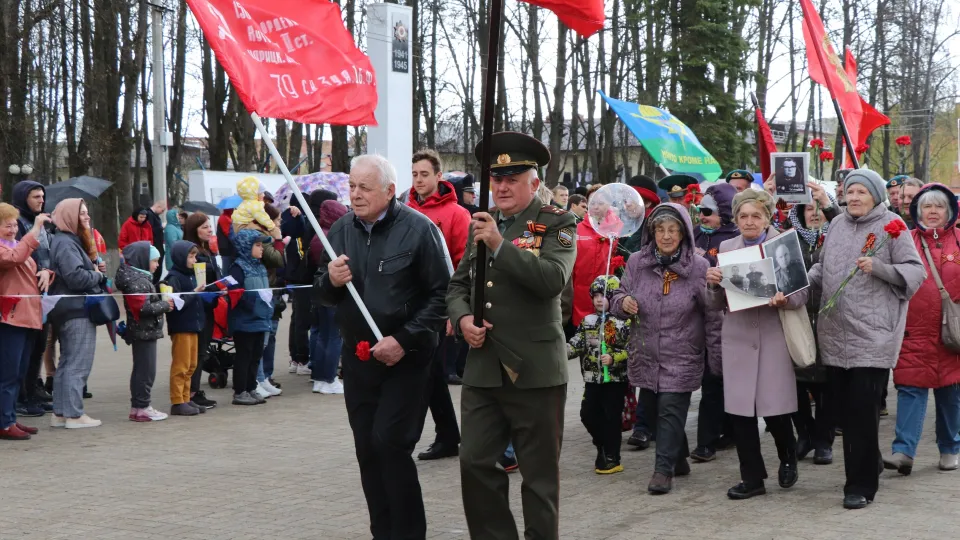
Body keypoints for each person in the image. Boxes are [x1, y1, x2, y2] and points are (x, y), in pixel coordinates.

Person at [446, 132, 576, 540]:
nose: (501, 186)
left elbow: (552, 280)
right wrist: (463, 318)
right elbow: (457, 287)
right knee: (475, 462)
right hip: (485, 367)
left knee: (539, 478)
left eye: (512, 178)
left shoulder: (557, 222)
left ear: (534, 183)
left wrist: (501, 245)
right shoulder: (481, 225)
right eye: (496, 178)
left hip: (535, 370)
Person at [314, 154, 449, 540]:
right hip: (358, 361)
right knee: (367, 452)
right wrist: (330, 281)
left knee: (390, 444)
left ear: (390, 191)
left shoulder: (420, 230)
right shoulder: (338, 231)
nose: (355, 195)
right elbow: (320, 295)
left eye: (364, 188)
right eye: (351, 186)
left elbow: (443, 295)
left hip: (407, 360)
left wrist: (404, 340)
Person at [809, 168, 924, 509]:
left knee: (861, 411)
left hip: (873, 335)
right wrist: (797, 286)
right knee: (847, 412)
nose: (855, 197)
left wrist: (881, 268)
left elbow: (916, 272)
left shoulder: (893, 225)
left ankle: (860, 486)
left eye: (862, 191)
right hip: (835, 333)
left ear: (875, 195)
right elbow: (821, 267)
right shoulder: (837, 225)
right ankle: (869, 462)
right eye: (850, 191)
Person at [706, 189, 808, 501]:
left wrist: (784, 298)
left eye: (756, 215)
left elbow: (802, 294)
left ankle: (788, 455)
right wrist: (712, 284)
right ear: (735, 219)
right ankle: (752, 478)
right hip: (738, 338)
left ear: (767, 217)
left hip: (773, 336)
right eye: (743, 216)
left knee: (775, 410)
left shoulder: (783, 243)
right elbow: (714, 304)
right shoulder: (726, 247)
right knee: (741, 415)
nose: (749, 221)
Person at [612, 203, 715, 494]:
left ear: (683, 234)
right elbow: (618, 294)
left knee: (670, 407)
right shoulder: (636, 262)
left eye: (673, 230)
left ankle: (663, 470)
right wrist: (623, 303)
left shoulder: (698, 267)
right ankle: (678, 458)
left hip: (683, 351)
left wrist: (716, 355)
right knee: (659, 410)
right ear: (652, 232)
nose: (666, 236)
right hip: (647, 351)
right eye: (660, 229)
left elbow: (712, 310)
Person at [885, 183, 960, 474]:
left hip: (952, 334)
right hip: (913, 331)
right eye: (926, 206)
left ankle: (950, 447)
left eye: (938, 206)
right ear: (917, 210)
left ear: (949, 211)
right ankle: (903, 451)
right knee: (910, 389)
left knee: (950, 394)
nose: (932, 212)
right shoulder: (905, 240)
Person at [407, 148, 468, 461]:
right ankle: (448, 436)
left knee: (428, 375)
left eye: (424, 174)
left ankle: (419, 437)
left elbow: (462, 265)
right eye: (415, 174)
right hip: (407, 309)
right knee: (429, 377)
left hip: (438, 308)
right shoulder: (401, 209)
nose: (418, 180)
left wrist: (452, 311)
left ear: (439, 176)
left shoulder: (457, 215)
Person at [787, 191, 839, 465]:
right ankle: (804, 434)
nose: (814, 213)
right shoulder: (789, 238)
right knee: (796, 381)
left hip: (830, 317)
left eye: (819, 207)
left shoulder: (838, 236)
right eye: (808, 208)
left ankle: (824, 440)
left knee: (826, 386)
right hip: (796, 316)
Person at [48, 199, 106, 429]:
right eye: (82, 213)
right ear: (69, 217)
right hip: (76, 309)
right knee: (78, 363)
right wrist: (97, 275)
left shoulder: (65, 241)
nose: (87, 217)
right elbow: (76, 278)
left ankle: (61, 412)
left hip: (67, 309)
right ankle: (74, 414)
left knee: (67, 363)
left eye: (87, 213)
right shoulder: (66, 243)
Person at [691, 182, 739, 462]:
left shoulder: (734, 239)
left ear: (724, 212)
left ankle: (718, 437)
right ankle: (710, 439)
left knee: (723, 381)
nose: (702, 216)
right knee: (710, 382)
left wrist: (708, 268)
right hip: (698, 321)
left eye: (707, 211)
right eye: (699, 210)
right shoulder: (696, 234)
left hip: (726, 321)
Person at [569, 275, 630, 475]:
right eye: (595, 295)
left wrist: (614, 358)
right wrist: (556, 352)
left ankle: (612, 457)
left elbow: (634, 350)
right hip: (592, 379)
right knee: (587, 414)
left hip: (614, 380)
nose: (598, 299)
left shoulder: (623, 322)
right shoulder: (588, 322)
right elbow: (576, 344)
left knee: (611, 417)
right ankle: (601, 444)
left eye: (603, 295)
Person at [0, 203, 50, 440]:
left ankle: (9, 417)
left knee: (19, 372)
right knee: (8, 374)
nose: (12, 230)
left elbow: (28, 264)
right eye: (6, 225)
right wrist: (36, 229)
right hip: (9, 319)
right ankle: (4, 421)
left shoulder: (14, 244)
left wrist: (47, 272)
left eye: (14, 225)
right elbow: (15, 258)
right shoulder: (6, 249)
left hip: (27, 317)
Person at [115, 241, 173, 422]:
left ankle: (138, 407)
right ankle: (142, 406)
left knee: (144, 369)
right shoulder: (137, 281)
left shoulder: (140, 278)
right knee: (146, 371)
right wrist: (165, 305)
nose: (157, 265)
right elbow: (142, 308)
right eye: (155, 261)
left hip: (145, 331)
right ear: (142, 260)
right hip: (144, 331)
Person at [11, 180, 54, 412]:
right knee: (24, 347)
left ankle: (32, 389)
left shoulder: (42, 223)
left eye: (42, 196)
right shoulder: (17, 223)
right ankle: (22, 396)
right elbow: (18, 253)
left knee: (39, 344)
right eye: (35, 197)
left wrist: (48, 271)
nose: (41, 200)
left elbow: (49, 254)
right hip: (24, 291)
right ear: (22, 198)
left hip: (43, 289)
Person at [227, 230, 275, 406]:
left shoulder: (260, 266)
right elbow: (234, 293)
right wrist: (253, 303)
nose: (261, 249)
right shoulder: (237, 267)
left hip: (260, 319)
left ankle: (251, 387)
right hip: (245, 321)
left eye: (262, 245)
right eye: (257, 245)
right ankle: (240, 391)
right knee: (244, 356)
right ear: (246, 246)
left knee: (255, 356)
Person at [163, 241, 210, 416]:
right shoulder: (173, 278)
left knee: (191, 365)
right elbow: (176, 303)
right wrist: (195, 292)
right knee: (180, 366)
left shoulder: (191, 275)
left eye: (195, 255)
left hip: (193, 326)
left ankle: (186, 398)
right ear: (181, 257)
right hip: (181, 327)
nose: (194, 259)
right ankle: (177, 401)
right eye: (191, 256)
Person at [309, 199, 349, 394]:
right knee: (332, 337)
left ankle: (320, 376)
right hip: (330, 291)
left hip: (323, 291)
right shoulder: (332, 236)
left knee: (323, 336)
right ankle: (327, 376)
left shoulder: (325, 235)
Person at [182, 212, 220, 409]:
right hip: (199, 307)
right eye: (204, 227)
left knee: (202, 350)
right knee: (196, 352)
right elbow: (200, 281)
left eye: (210, 226)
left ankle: (194, 389)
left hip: (209, 305)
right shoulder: (193, 251)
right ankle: (192, 392)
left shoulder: (207, 250)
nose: (209, 230)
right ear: (194, 229)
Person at [143, 198, 167, 284]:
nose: (162, 212)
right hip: (154, 246)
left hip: (157, 246)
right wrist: (161, 227)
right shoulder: (149, 215)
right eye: (162, 210)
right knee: (156, 270)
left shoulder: (153, 215)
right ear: (158, 206)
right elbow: (150, 230)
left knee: (157, 270)